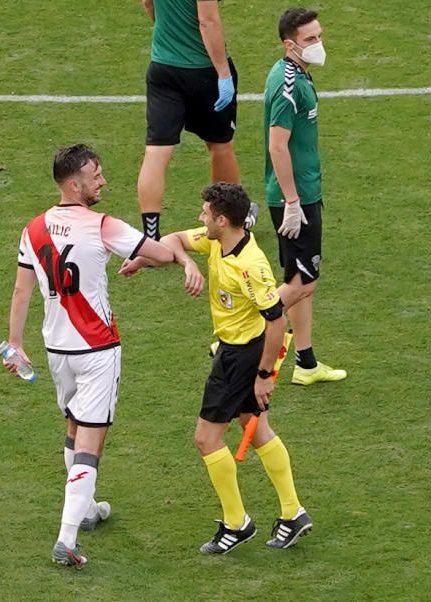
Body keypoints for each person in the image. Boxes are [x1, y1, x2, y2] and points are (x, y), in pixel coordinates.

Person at [6, 144, 204, 568]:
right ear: (74, 184)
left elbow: (22, 290)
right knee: (90, 445)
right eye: (96, 176)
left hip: (57, 347)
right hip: (97, 349)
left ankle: (89, 509)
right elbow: (161, 252)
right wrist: (184, 256)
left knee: (75, 427)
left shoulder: (33, 228)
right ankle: (67, 539)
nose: (103, 182)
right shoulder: (103, 226)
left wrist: (16, 344)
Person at [121, 182, 312, 553]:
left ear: (222, 220)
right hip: (235, 349)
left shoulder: (251, 267)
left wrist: (263, 375)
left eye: (205, 213)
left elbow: (277, 322)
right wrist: (180, 263)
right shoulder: (217, 240)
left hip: (242, 357)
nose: (200, 218)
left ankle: (237, 523)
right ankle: (293, 513)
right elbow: (174, 239)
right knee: (256, 431)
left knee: (206, 438)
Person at [264, 8, 346, 385]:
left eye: (319, 36)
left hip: (303, 192)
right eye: (311, 39)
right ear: (290, 44)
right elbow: (277, 147)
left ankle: (307, 364)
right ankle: (239, 334)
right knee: (305, 283)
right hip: (295, 198)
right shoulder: (287, 84)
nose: (318, 44)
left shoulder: (298, 76)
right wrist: (293, 202)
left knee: (298, 278)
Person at [137, 0, 256, 241]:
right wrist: (223, 73)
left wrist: (171, 37)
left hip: (163, 67)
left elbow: (148, 3)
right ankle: (230, 221)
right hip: (204, 70)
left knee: (157, 151)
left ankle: (150, 237)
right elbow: (207, 21)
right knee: (220, 145)